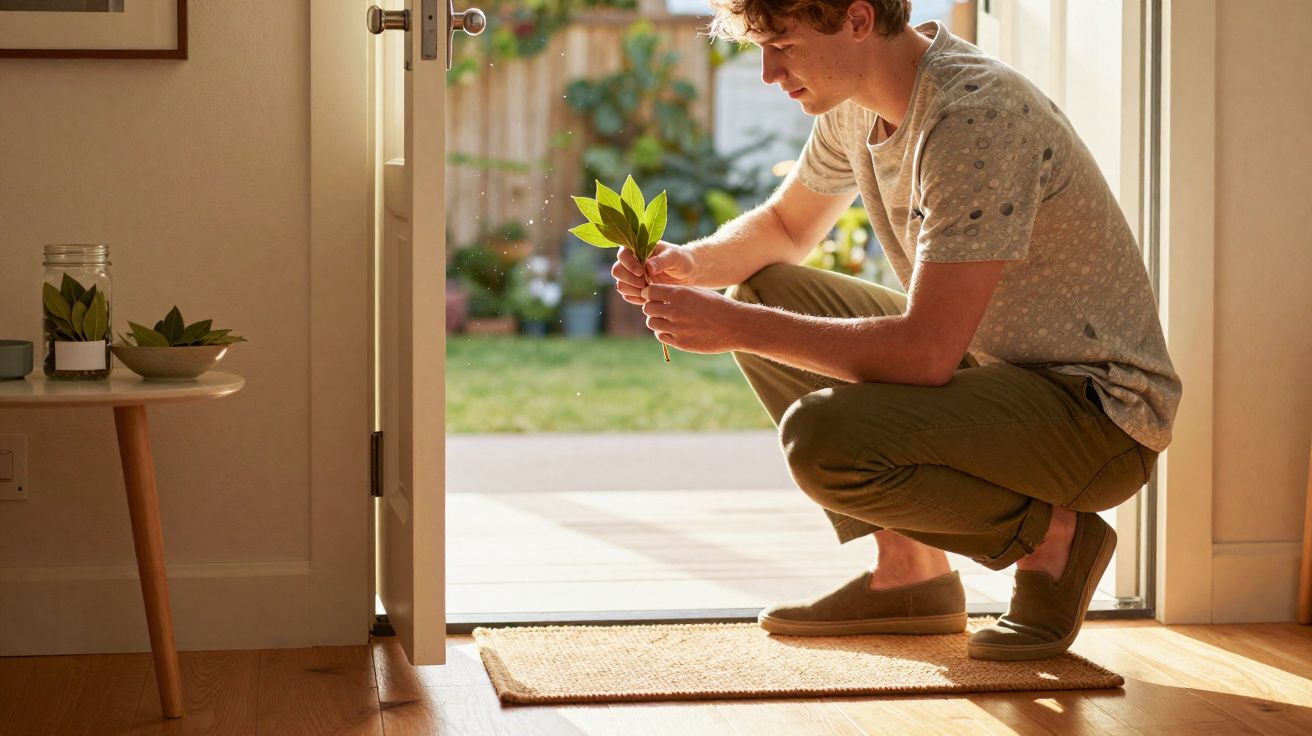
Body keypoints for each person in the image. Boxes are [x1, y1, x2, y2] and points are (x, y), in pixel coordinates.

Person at [608, 0, 1181, 660]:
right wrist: (690, 265)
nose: (768, 72)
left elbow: (926, 355)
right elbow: (788, 229)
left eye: (783, 46)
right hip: (998, 379)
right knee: (768, 284)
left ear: (856, 19)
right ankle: (911, 574)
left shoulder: (974, 116)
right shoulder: (857, 100)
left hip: (1097, 417)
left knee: (824, 438)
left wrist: (737, 327)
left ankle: (1056, 542)